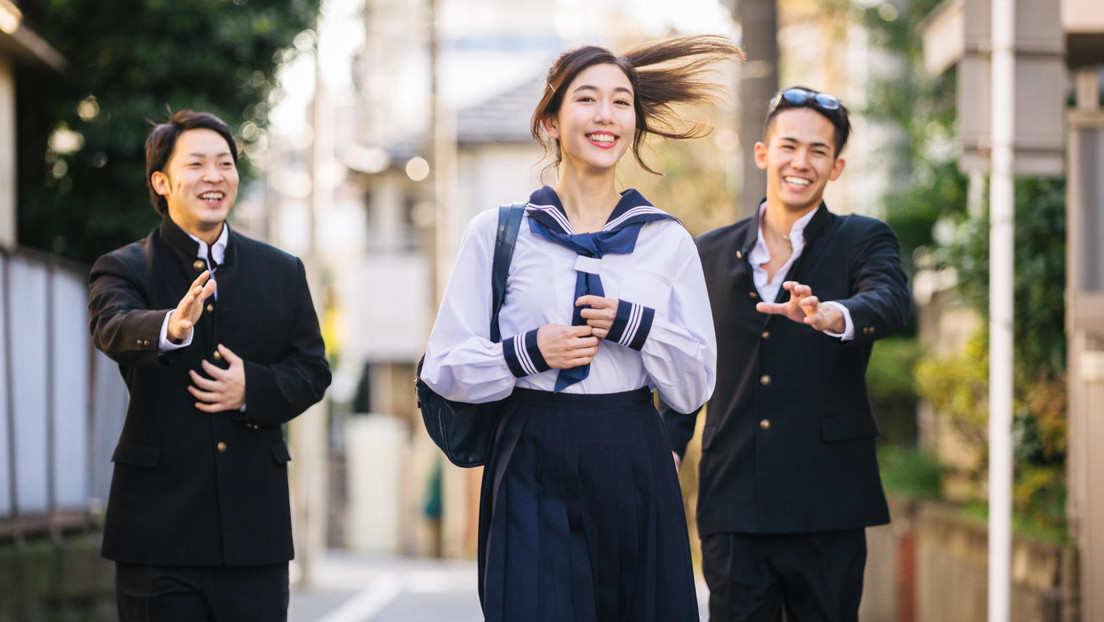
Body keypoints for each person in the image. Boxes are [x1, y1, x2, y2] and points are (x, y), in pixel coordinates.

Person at [419, 36, 741, 622]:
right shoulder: (498, 233)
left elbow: (695, 384)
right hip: (529, 451)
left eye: (621, 102)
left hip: (632, 451)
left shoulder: (666, 240)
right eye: (586, 98)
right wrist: (526, 352)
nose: (605, 115)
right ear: (551, 118)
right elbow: (443, 367)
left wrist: (636, 324)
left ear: (635, 123)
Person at [661, 86, 912, 621]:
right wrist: (668, 446)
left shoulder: (863, 240)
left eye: (818, 152)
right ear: (763, 153)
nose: (802, 162)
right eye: (790, 146)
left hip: (829, 503)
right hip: (733, 503)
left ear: (836, 167)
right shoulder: (705, 253)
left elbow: (890, 303)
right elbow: (690, 367)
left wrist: (833, 315)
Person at [88, 110, 331, 622]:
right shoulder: (125, 266)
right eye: (196, 164)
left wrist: (252, 388)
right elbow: (113, 328)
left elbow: (313, 370)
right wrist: (172, 327)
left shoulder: (282, 271)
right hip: (156, 537)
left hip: (255, 536)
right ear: (162, 181)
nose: (214, 176)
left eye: (225, 163)